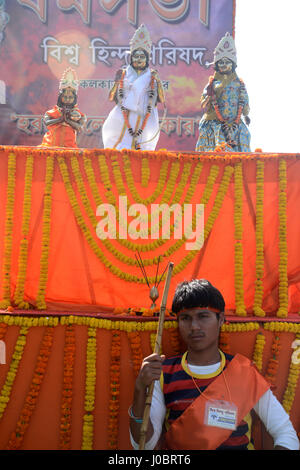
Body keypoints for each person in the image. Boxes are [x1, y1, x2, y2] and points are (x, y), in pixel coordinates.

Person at [129, 279, 299, 450]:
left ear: (221, 320)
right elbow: (144, 445)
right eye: (185, 318)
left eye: (203, 316)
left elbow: (286, 435)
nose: (194, 326)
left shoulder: (244, 373)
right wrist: (139, 390)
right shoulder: (163, 373)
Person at [101, 24, 165, 151]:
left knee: (142, 152)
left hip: (145, 117)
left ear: (147, 59)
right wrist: (116, 82)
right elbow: (111, 97)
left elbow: (161, 100)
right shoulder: (124, 73)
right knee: (116, 147)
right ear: (131, 58)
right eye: (136, 56)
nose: (139, 59)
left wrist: (158, 81)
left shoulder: (152, 76)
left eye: (142, 57)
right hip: (123, 116)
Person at [195, 33, 251, 152]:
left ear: (233, 65)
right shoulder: (211, 84)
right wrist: (210, 97)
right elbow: (203, 105)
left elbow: (246, 109)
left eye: (227, 62)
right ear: (216, 66)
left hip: (236, 127)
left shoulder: (240, 85)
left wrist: (245, 108)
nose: (224, 65)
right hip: (215, 125)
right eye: (221, 62)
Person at [40, 68, 86, 148]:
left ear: (75, 98)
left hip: (69, 148)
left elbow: (79, 127)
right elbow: (46, 122)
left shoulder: (80, 115)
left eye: (70, 97)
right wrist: (60, 119)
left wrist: (67, 120)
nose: (67, 100)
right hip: (50, 147)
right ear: (60, 97)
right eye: (65, 97)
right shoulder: (51, 112)